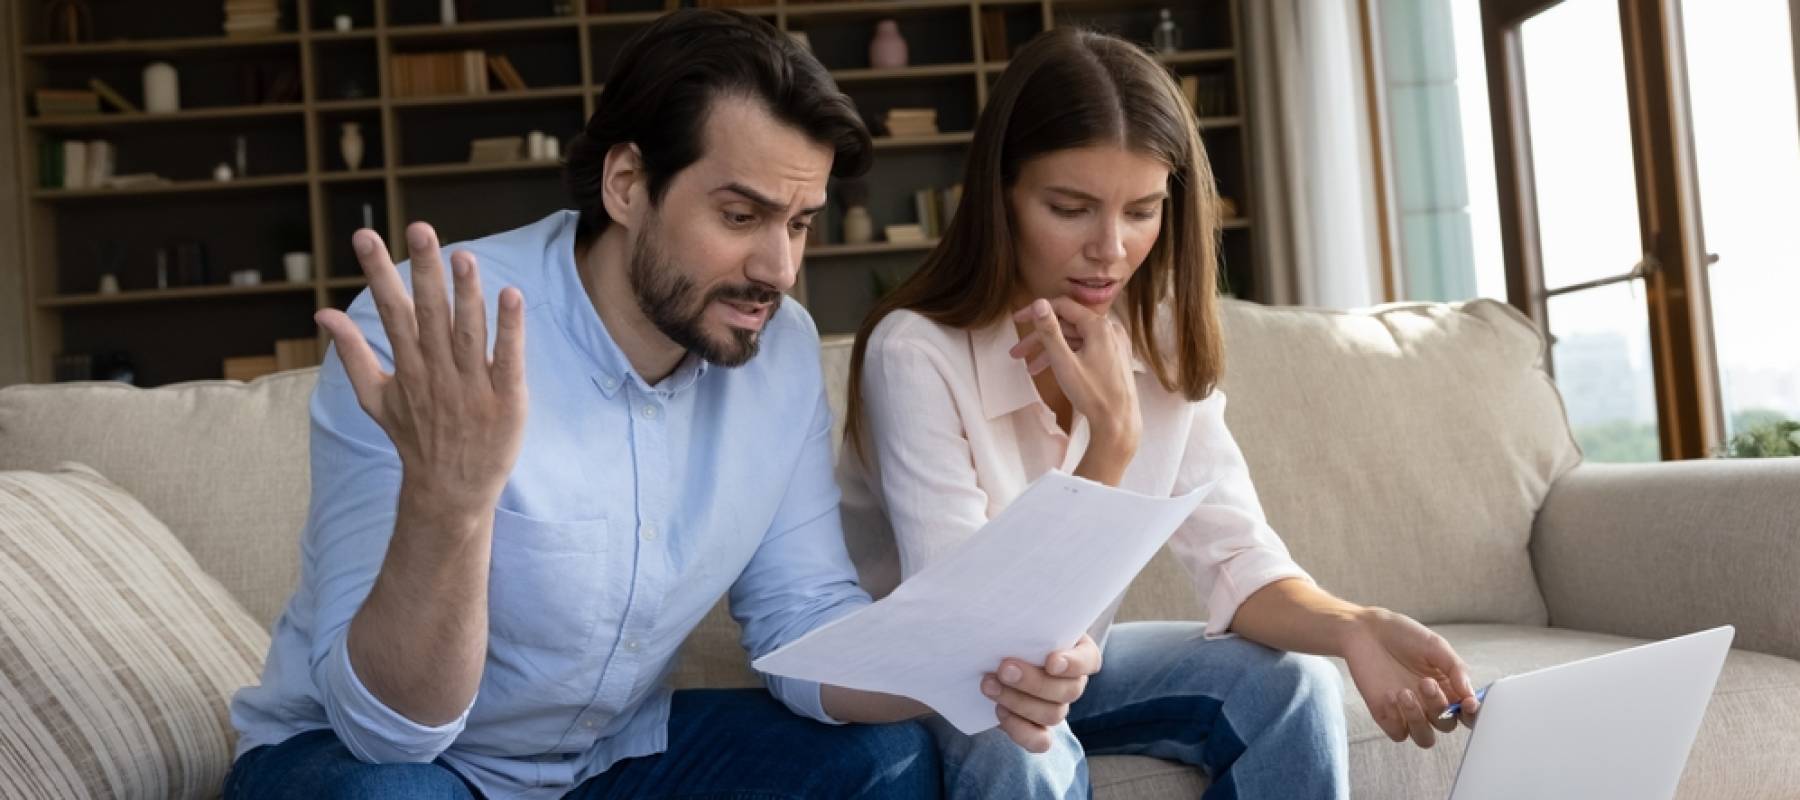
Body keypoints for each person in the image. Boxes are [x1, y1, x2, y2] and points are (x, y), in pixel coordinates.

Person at [224, 10, 1079, 798]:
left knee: (882, 763)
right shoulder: (432, 331)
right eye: (741, 214)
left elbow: (804, 624)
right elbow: (387, 729)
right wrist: (452, 507)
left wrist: (981, 665)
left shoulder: (778, 353)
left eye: (801, 223)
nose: (779, 270)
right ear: (628, 184)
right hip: (380, 762)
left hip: (609, 758)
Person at [839, 27, 1483, 799]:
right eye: (1070, 208)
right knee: (1022, 744)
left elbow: (1242, 564)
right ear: (1001, 195)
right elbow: (980, 636)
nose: (1110, 249)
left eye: (1142, 210)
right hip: (941, 689)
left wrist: (1355, 627)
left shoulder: (1163, 340)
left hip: (1068, 669)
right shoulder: (917, 352)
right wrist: (1110, 440)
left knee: (1293, 688)